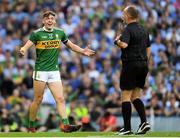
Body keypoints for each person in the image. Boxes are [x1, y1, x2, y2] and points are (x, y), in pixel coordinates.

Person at [19, 11, 95, 133]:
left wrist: (82, 51)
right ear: (43, 21)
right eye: (47, 18)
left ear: (55, 21)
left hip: (54, 71)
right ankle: (31, 125)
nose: (50, 20)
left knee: (60, 99)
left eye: (52, 19)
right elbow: (27, 45)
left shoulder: (60, 33)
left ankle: (66, 125)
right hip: (41, 71)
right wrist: (23, 49)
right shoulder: (36, 34)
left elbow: (71, 45)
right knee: (38, 99)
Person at [114, 5, 151, 135]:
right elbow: (148, 49)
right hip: (143, 65)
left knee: (125, 96)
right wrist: (145, 63)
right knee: (136, 96)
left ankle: (127, 128)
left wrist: (117, 41)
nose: (122, 15)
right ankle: (144, 122)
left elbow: (124, 45)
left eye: (124, 13)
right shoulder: (144, 30)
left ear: (129, 16)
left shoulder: (127, 29)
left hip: (131, 65)